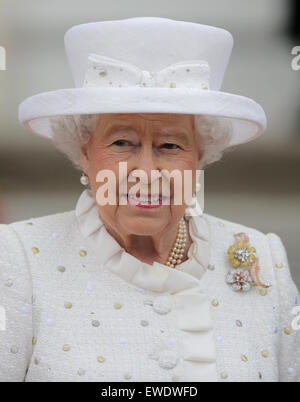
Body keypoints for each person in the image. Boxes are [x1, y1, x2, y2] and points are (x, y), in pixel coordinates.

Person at [0, 16, 299, 382]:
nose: (146, 171)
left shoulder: (263, 258)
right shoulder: (18, 258)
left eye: (170, 146)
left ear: (200, 157)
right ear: (85, 153)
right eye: (122, 142)